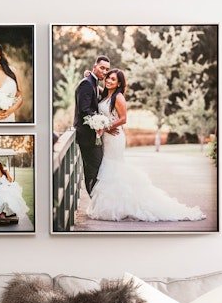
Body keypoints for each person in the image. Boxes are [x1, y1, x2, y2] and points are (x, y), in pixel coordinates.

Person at [86, 69, 205, 222]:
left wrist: (106, 127)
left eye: (113, 79)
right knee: (109, 167)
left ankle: (120, 207)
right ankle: (118, 205)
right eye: (108, 78)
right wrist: (89, 76)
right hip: (106, 138)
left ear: (119, 83)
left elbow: (123, 119)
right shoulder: (105, 95)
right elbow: (97, 91)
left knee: (113, 167)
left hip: (115, 138)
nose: (109, 81)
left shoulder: (119, 97)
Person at [74, 55, 110, 195]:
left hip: (92, 135)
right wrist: (100, 122)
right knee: (93, 169)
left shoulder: (93, 83)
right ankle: (95, 199)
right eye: (102, 68)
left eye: (107, 69)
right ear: (94, 66)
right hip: (86, 136)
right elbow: (84, 109)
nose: (105, 71)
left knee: (96, 168)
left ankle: (96, 199)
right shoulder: (86, 83)